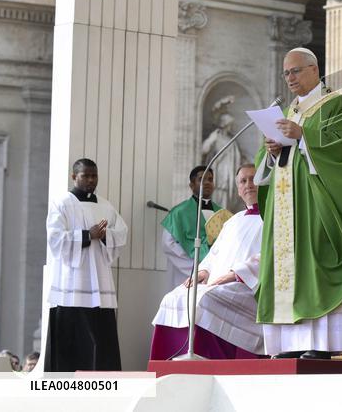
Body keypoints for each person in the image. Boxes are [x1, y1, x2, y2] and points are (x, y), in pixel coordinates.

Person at [254, 47, 342, 359]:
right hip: (286, 208)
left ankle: (319, 345)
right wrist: (270, 153)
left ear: (315, 70)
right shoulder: (286, 113)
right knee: (285, 271)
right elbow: (269, 166)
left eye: (295, 70)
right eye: (286, 73)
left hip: (317, 206)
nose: (290, 78)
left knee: (315, 262)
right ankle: (287, 345)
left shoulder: (338, 106)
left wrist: (304, 136)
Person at [150, 163, 264, 360]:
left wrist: (237, 273)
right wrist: (203, 271)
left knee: (204, 300)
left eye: (253, 179)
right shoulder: (233, 221)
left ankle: (209, 362)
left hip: (248, 285)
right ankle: (169, 364)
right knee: (174, 297)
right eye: (243, 181)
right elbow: (214, 254)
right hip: (221, 282)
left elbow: (271, 256)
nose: (248, 185)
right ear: (238, 189)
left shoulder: (271, 218)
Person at [45, 159, 128, 371]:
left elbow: (122, 232)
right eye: (86, 175)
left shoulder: (105, 205)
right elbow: (54, 238)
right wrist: (86, 235)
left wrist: (105, 235)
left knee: (102, 340)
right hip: (72, 283)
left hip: (99, 281)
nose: (91, 180)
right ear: (74, 177)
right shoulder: (62, 203)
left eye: (94, 176)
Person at [161, 166, 221, 290]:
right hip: (185, 273)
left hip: (213, 273)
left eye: (210, 179)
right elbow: (168, 244)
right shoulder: (179, 212)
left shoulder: (221, 213)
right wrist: (195, 265)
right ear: (192, 185)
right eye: (202, 179)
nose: (207, 183)